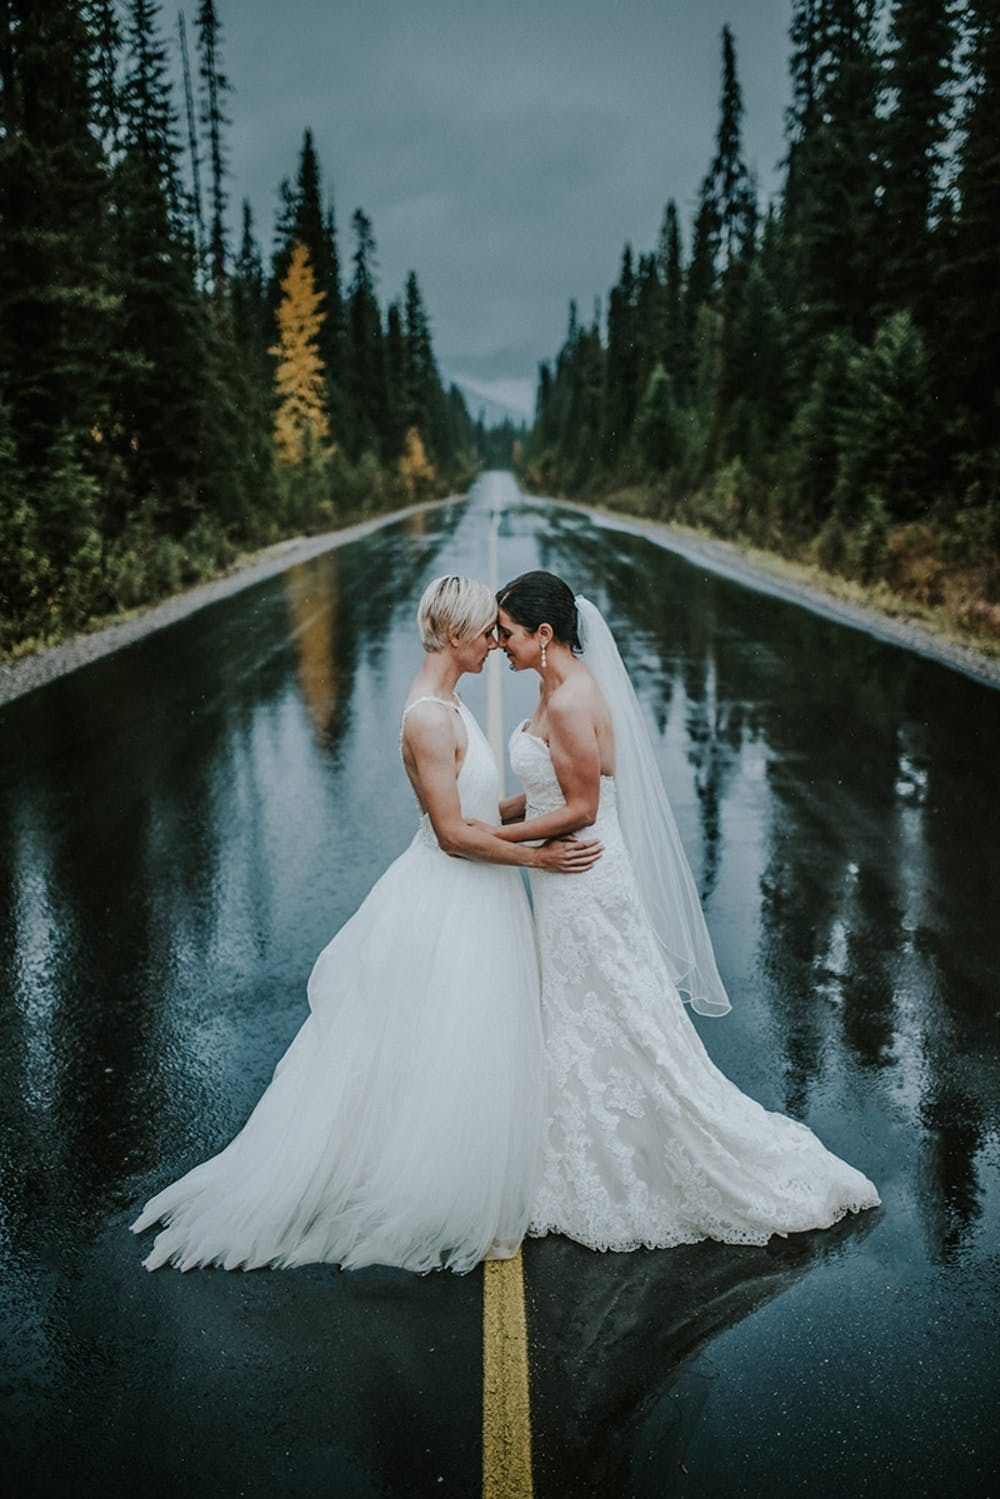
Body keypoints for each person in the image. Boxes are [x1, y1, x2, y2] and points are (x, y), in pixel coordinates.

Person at [130, 575, 602, 1274]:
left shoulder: (450, 705)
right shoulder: (427, 719)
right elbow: (450, 834)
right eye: (484, 633)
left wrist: (528, 812)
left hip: (480, 892)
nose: (493, 644)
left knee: (462, 1040)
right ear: (450, 635)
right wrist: (539, 858)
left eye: (499, 633)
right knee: (437, 1038)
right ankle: (430, 1181)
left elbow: (477, 813)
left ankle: (460, 1155)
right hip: (450, 891)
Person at [487, 570, 881, 1252]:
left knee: (620, 1019)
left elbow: (579, 808)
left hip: (582, 877)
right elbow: (549, 783)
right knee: (588, 1016)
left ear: (545, 634)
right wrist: (489, 815)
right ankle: (580, 1143)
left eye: (508, 633)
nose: (500, 645)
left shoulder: (575, 697)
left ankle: (650, 1155)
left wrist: (490, 840)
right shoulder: (554, 688)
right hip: (563, 877)